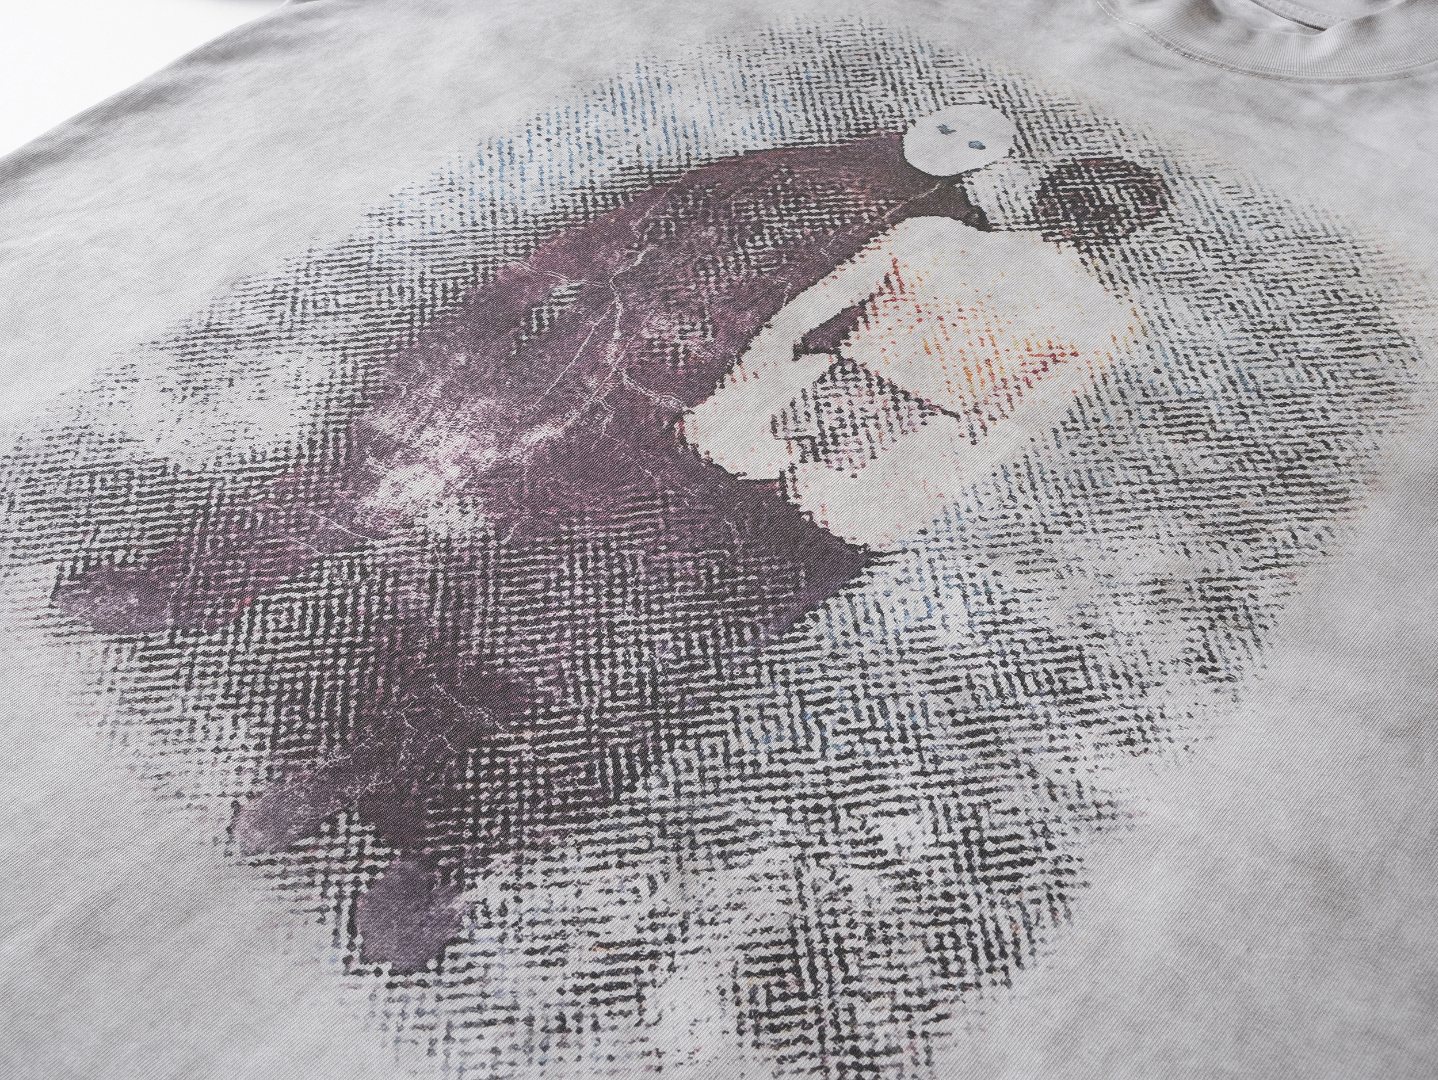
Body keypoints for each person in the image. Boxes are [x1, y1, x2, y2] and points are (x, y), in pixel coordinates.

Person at [54, 105, 1170, 969]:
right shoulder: (909, 222)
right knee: (538, 606)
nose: (1079, 220)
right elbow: (788, 325)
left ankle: (450, 862)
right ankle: (352, 767)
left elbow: (1002, 430)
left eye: (1099, 212)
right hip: (709, 444)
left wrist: (872, 489)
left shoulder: (1071, 304)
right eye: (1080, 200)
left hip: (838, 512)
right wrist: (746, 416)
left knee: (658, 686)